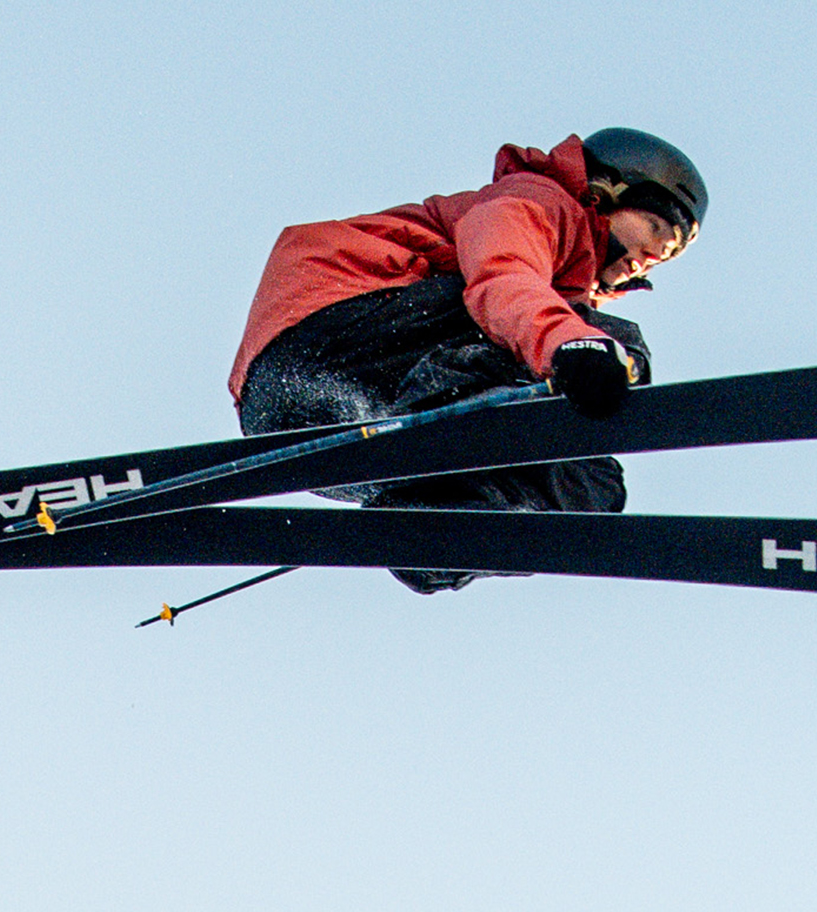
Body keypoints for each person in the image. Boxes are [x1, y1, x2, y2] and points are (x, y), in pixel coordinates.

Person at [227, 128, 706, 587]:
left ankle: (434, 532)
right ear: (607, 191)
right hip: (335, 333)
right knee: (605, 347)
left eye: (670, 254)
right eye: (657, 225)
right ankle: (453, 422)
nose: (655, 252)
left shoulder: (564, 283)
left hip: (283, 418)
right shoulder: (540, 201)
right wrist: (569, 344)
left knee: (589, 480)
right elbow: (500, 276)